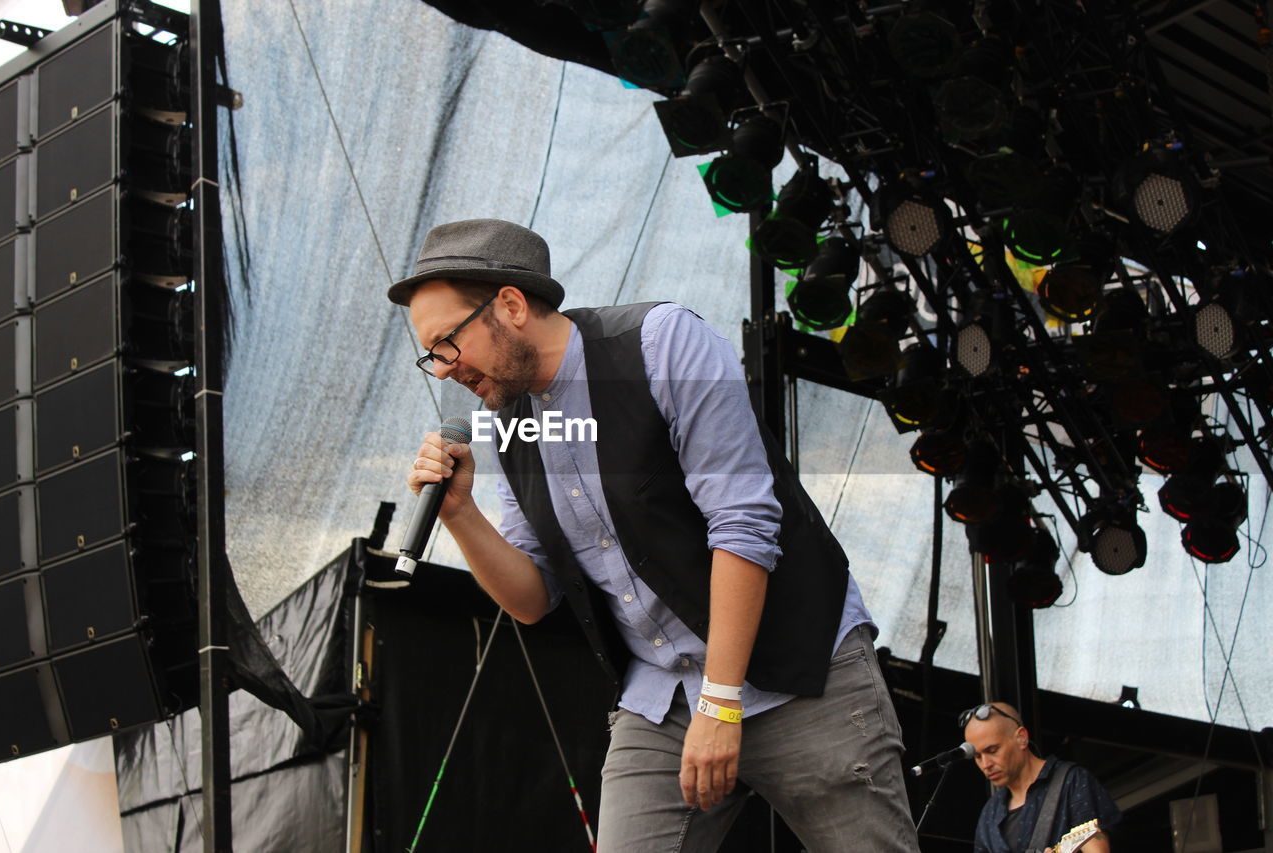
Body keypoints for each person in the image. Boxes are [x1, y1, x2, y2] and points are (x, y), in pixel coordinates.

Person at [392, 218, 919, 852]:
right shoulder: (508, 426)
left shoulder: (660, 343)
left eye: (446, 344)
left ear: (509, 305)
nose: (443, 370)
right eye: (431, 357)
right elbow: (533, 600)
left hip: (800, 671)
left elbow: (743, 521)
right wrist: (458, 513)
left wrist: (721, 703)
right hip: (662, 698)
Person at [963, 702, 1121, 853]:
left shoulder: (1072, 781)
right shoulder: (990, 812)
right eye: (977, 756)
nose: (985, 764)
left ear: (1022, 738)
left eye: (992, 750)